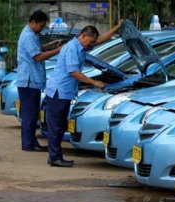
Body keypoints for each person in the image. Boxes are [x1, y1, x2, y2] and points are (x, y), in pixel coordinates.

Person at [45, 21, 123, 167]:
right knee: (56, 125)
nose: (90, 45)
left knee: (60, 125)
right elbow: (74, 72)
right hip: (59, 91)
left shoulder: (81, 45)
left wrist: (116, 28)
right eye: (90, 41)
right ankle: (55, 157)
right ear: (83, 36)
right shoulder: (72, 49)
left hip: (64, 91)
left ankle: (55, 156)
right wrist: (95, 82)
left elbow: (100, 40)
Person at [17, 10, 62, 152]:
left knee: (31, 113)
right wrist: (59, 50)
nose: (42, 28)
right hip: (29, 80)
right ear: (33, 22)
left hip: (31, 80)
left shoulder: (32, 34)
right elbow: (37, 57)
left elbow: (37, 50)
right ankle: (29, 143)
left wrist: (51, 46)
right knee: (30, 114)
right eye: (41, 26)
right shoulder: (28, 36)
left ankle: (29, 142)